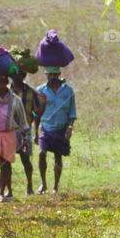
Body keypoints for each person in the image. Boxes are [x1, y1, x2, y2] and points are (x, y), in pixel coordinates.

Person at [0, 74, 29, 202]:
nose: (0, 84)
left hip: (8, 134)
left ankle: (1, 193)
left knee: (5, 164)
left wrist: (25, 138)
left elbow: (22, 121)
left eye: (2, 81)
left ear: (6, 81)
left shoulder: (16, 100)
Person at [36, 66, 76, 194]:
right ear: (46, 74)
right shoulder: (41, 90)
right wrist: (35, 132)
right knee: (41, 153)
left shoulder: (68, 91)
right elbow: (36, 113)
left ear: (59, 73)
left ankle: (55, 186)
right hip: (46, 128)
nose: (52, 77)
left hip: (61, 128)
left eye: (54, 74)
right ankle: (43, 184)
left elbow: (72, 112)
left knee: (58, 156)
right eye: (49, 75)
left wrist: (70, 127)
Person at [10, 68, 46, 196]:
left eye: (21, 74)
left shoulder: (31, 92)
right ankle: (8, 190)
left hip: (25, 130)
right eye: (16, 74)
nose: (18, 76)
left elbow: (37, 113)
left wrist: (43, 105)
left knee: (26, 159)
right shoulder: (6, 91)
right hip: (9, 130)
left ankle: (29, 185)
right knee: (7, 161)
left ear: (24, 75)